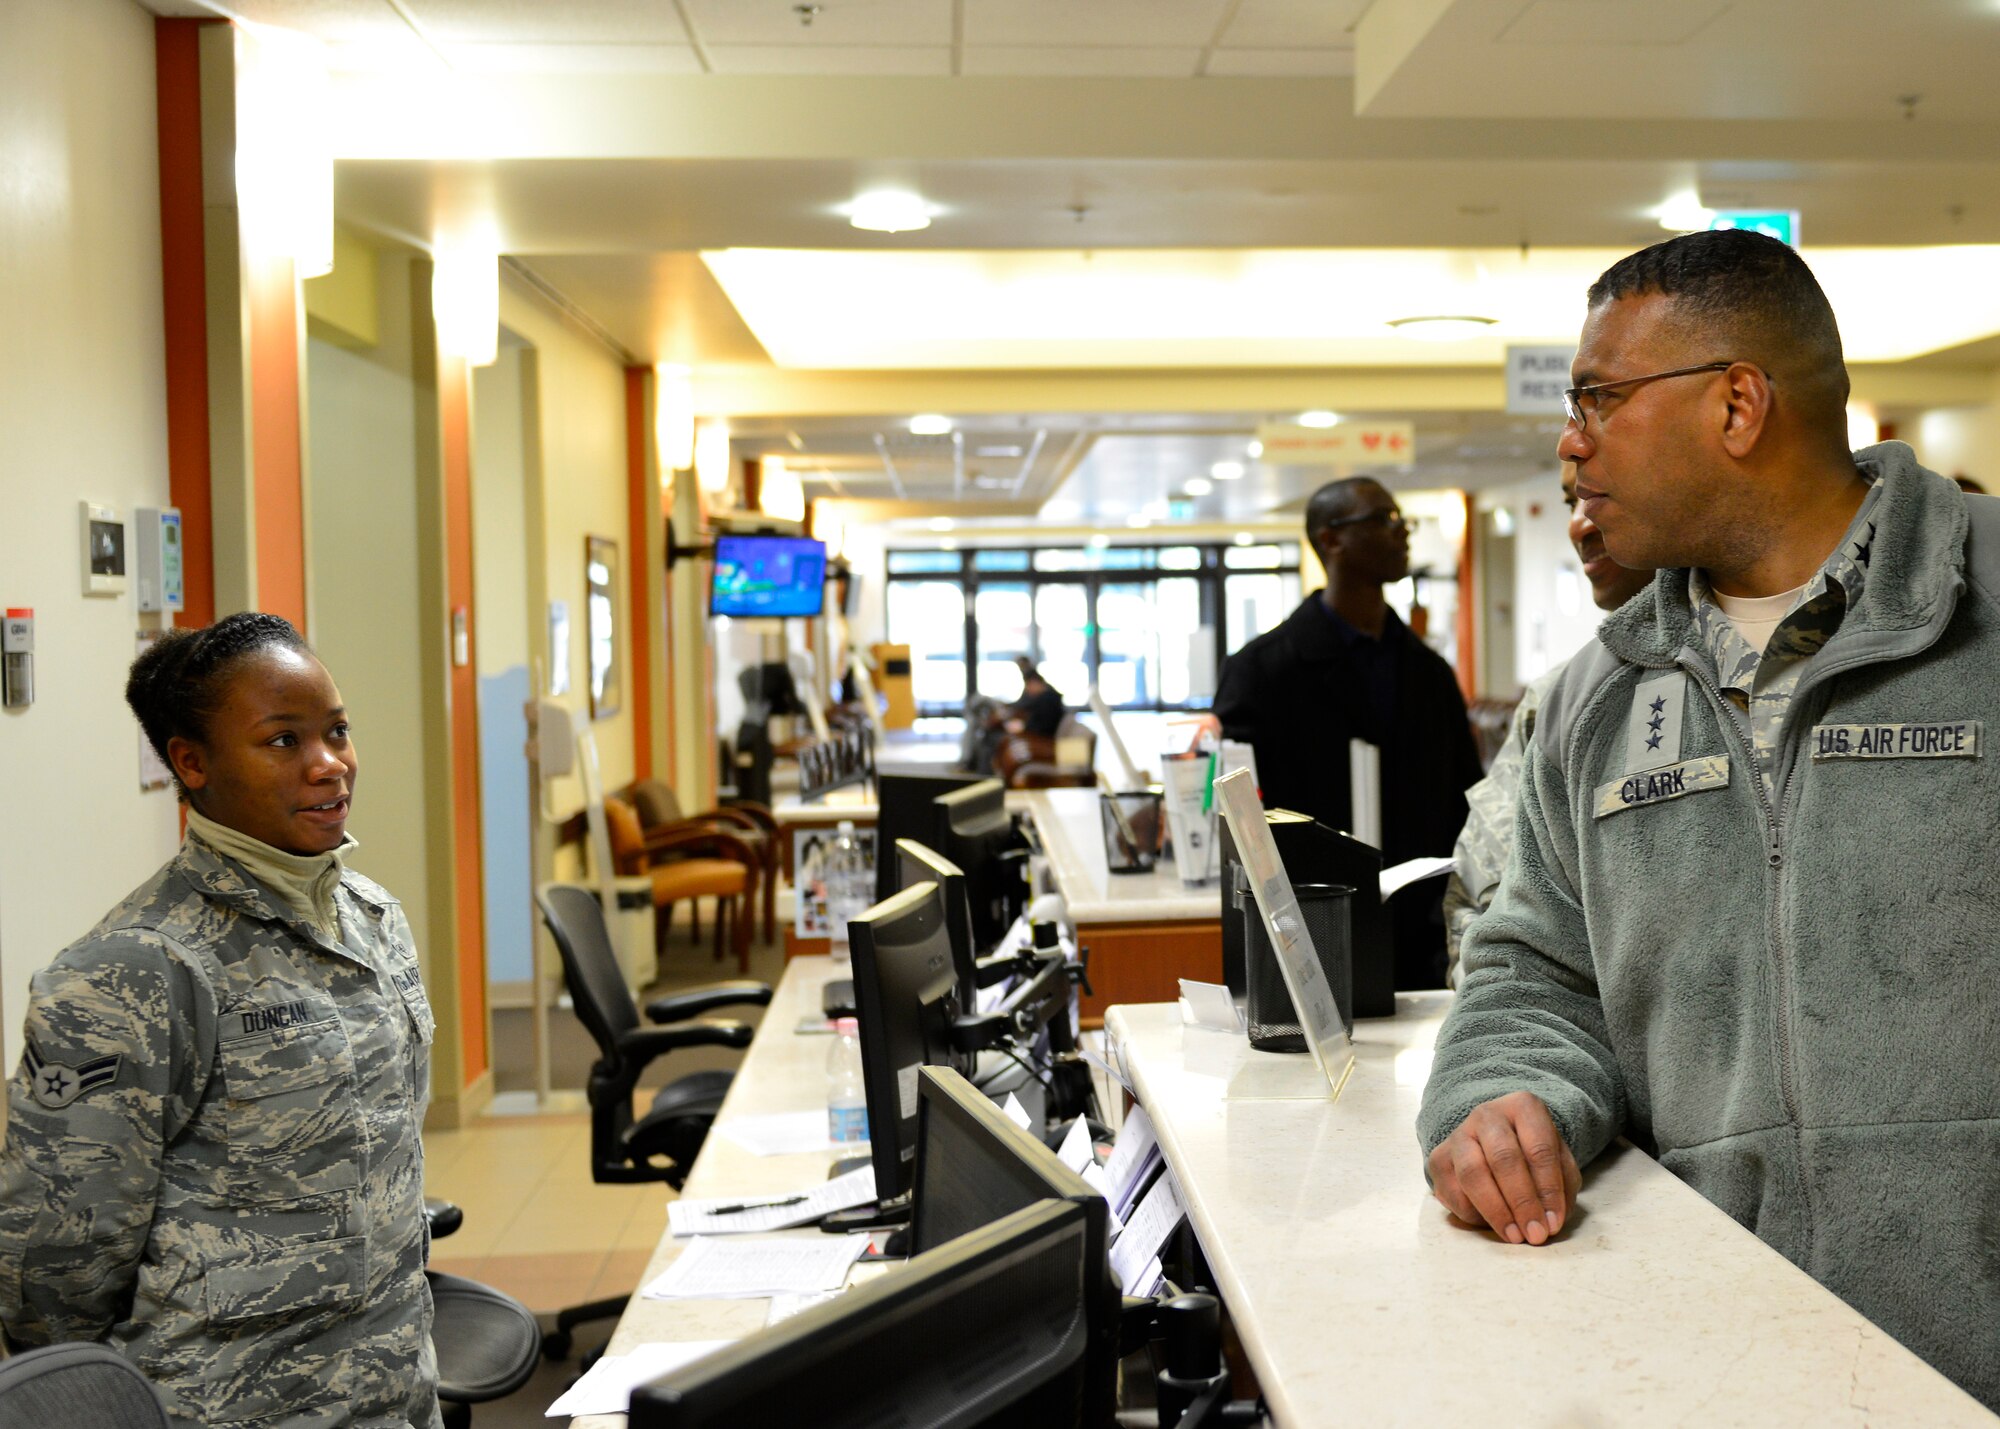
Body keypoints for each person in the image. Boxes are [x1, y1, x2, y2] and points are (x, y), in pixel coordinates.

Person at [1417, 228, 2000, 1411]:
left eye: (1597, 398)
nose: (1567, 441)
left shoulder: (1983, 612)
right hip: (1721, 1361)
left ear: (1737, 404)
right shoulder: (1595, 694)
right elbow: (1531, 966)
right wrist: (1496, 1097)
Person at [0, 613, 441, 1429]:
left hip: (396, 1390)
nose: (328, 764)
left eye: (336, 730)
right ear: (191, 762)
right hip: (232, 1407)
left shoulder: (374, 919)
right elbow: (55, 1273)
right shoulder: (135, 968)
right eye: (283, 741)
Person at [1214, 476, 1483, 987]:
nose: (1402, 531)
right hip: (1307, 926)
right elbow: (1242, 816)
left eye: (1402, 518)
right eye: (1383, 519)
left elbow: (1465, 795)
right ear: (1331, 539)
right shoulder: (1262, 670)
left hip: (1420, 927)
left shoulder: (1428, 672)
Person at [1441, 463, 1652, 985]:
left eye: (1602, 494)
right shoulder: (1562, 701)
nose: (1580, 525)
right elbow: (1483, 906)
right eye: (1570, 501)